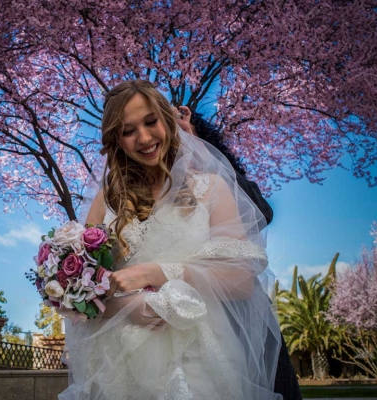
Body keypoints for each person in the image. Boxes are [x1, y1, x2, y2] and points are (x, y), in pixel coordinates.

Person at [59, 80, 283, 400]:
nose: (145, 138)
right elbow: (77, 290)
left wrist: (152, 272)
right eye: (128, 130)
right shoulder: (105, 203)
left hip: (197, 359)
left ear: (167, 120)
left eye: (151, 122)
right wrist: (123, 306)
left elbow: (239, 280)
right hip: (118, 364)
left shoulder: (212, 189)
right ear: (117, 140)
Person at [175, 108, 302, 400]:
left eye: (184, 133)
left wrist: (201, 152)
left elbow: (262, 211)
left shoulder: (220, 181)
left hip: (240, 307)